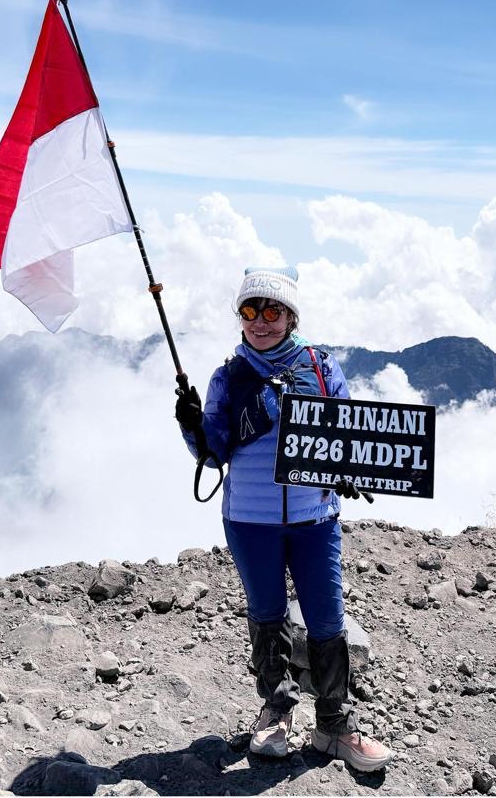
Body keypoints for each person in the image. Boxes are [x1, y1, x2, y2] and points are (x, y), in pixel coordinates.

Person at [174, 266, 393, 773]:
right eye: (250, 311)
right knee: (267, 613)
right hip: (250, 517)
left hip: (315, 515)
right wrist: (193, 425)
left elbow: (345, 428)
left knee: (327, 618)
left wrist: (346, 469)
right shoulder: (229, 376)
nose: (260, 321)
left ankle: (334, 725)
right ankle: (276, 711)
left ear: (292, 316)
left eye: (272, 310)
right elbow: (214, 453)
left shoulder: (319, 367)